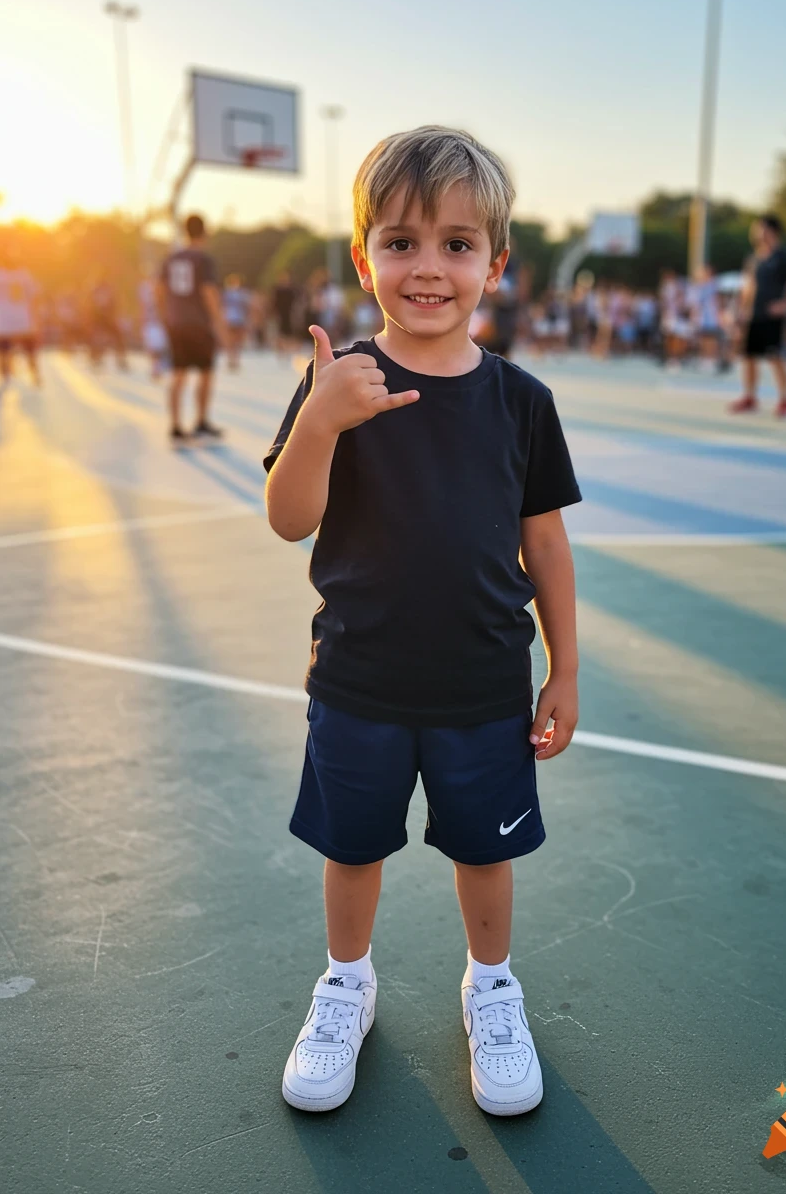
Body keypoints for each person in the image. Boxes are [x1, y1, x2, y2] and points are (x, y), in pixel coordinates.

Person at [264, 125, 581, 1118]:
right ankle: (345, 983)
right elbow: (288, 517)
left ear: (495, 263)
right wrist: (319, 418)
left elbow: (545, 544)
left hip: (482, 684)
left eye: (454, 242)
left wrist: (562, 669)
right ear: (364, 260)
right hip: (358, 679)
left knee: (484, 851)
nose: (427, 266)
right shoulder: (341, 383)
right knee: (351, 845)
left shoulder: (521, 401)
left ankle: (490, 985)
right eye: (399, 242)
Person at [157, 214, 228, 442]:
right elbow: (209, 292)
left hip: (176, 322)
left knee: (178, 373)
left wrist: (164, 315)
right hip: (198, 323)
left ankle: (176, 425)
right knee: (206, 372)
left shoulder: (171, 258)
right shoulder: (203, 260)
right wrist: (219, 323)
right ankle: (201, 421)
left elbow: (157, 289)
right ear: (204, 232)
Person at [731, 214, 786, 416]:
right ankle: (750, 397)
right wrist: (741, 310)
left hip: (773, 317)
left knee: (775, 357)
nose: (755, 233)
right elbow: (749, 286)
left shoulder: (783, 256)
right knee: (749, 357)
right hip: (753, 315)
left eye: (759, 228)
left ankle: (785, 399)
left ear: (771, 231)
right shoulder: (754, 258)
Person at [0, 242, 41, 386]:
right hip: (22, 320)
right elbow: (34, 296)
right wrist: (35, 318)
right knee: (28, 350)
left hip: (4, 321)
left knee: (5, 349)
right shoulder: (24, 274)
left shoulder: (1, 274)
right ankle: (34, 374)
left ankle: (6, 375)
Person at [222, 273, 252, 371]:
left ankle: (233, 359)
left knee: (235, 340)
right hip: (233, 318)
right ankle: (232, 359)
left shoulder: (231, 293)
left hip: (236, 318)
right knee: (233, 340)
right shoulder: (237, 293)